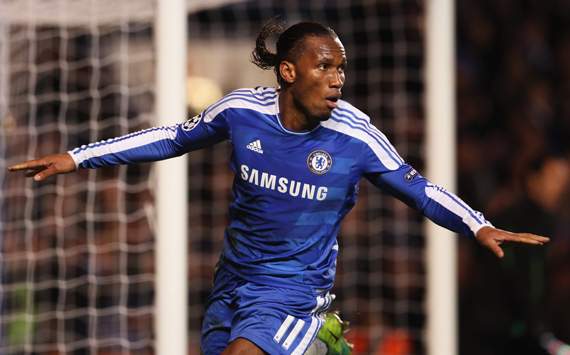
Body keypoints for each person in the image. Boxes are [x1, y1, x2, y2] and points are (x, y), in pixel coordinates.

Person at [8, 20, 549, 355]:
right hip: (232, 286)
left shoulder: (355, 136)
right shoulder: (241, 112)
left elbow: (419, 187)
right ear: (289, 72)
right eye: (325, 66)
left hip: (294, 294)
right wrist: (76, 157)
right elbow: (171, 138)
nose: (338, 78)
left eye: (342, 68)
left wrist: (476, 223)